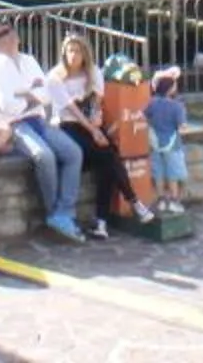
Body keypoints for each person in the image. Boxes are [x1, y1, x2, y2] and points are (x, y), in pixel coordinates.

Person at [0, 19, 83, 241]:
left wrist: (25, 96)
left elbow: (46, 94)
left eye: (10, 31)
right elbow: (5, 105)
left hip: (37, 120)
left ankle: (64, 211)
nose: (9, 36)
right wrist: (30, 97)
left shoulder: (29, 60)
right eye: (1, 34)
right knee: (44, 156)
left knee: (73, 152)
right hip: (13, 125)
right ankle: (54, 213)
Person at [48, 34, 150, 236]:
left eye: (78, 51)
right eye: (70, 51)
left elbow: (96, 101)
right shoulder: (55, 78)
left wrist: (96, 118)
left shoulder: (93, 72)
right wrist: (94, 131)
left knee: (108, 158)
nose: (73, 55)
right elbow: (72, 110)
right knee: (107, 154)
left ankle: (102, 222)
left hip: (89, 124)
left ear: (85, 54)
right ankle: (134, 202)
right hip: (68, 125)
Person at [144, 66, 192, 215]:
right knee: (173, 175)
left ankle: (161, 201)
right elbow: (182, 127)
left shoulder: (152, 103)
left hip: (155, 144)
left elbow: (145, 116)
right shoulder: (177, 106)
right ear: (170, 88)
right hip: (172, 145)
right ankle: (173, 202)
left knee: (158, 173)